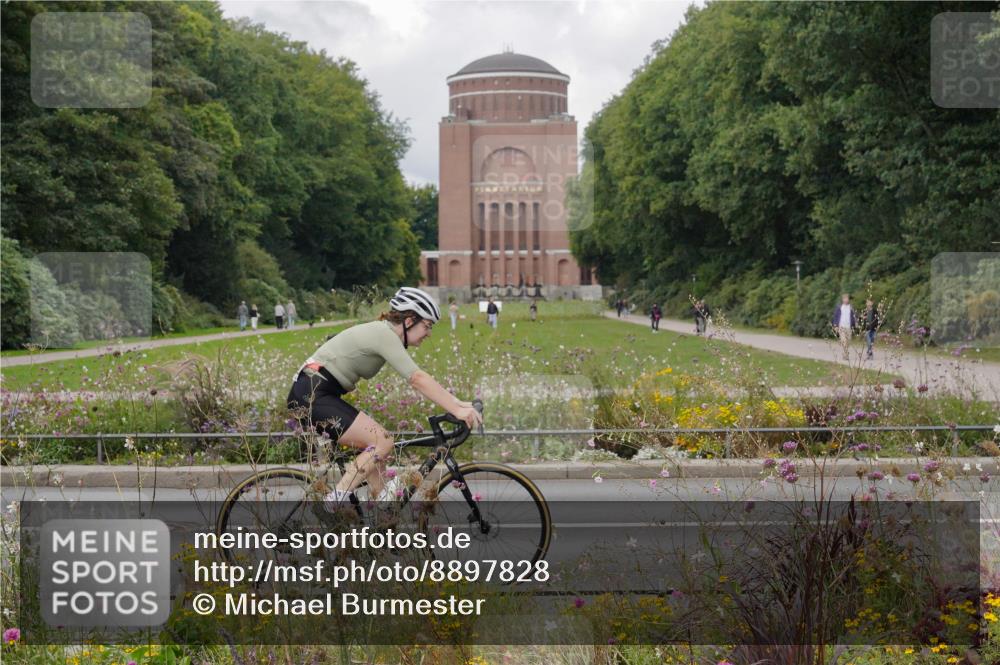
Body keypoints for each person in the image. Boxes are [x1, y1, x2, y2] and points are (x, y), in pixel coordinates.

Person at [287, 287, 482, 507]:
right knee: (383, 441)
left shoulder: (384, 333)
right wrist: (456, 411)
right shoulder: (384, 334)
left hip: (318, 393)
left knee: (376, 454)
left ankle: (381, 523)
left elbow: (419, 378)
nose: (428, 333)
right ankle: (333, 501)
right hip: (311, 395)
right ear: (409, 321)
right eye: (427, 326)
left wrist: (458, 404)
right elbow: (416, 378)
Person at [831, 293, 856, 360]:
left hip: (849, 327)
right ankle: (845, 355)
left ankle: (845, 352)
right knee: (844, 341)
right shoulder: (839, 307)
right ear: (842, 299)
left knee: (848, 341)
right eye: (844, 298)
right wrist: (835, 325)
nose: (846, 300)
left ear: (848, 299)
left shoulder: (851, 307)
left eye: (847, 298)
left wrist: (855, 324)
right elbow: (835, 317)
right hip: (841, 327)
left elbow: (854, 317)